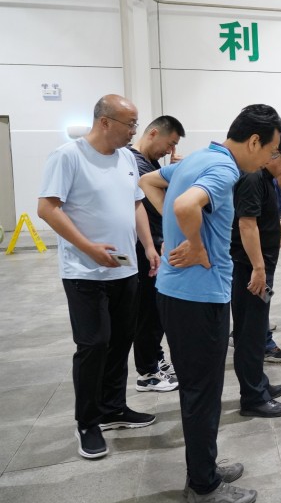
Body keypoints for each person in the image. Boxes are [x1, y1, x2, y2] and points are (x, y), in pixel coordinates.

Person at [140, 103, 281, 502]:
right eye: (271, 150)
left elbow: (149, 182)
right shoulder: (224, 169)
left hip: (178, 293)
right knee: (202, 394)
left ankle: (204, 467)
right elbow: (184, 205)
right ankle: (204, 486)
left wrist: (179, 232)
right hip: (198, 297)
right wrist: (195, 244)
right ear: (254, 141)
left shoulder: (200, 157)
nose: (269, 159)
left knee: (199, 390)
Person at [37, 94, 159, 460]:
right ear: (105, 122)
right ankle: (87, 421)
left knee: (121, 339)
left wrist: (148, 246)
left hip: (125, 268)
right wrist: (88, 247)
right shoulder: (68, 156)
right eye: (130, 124)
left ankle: (112, 408)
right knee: (94, 344)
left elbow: (136, 204)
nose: (134, 131)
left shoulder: (126, 158)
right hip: (84, 271)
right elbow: (47, 208)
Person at [230, 131, 281, 418]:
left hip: (260, 266)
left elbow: (267, 224)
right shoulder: (252, 178)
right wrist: (258, 268)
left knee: (256, 329)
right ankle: (252, 397)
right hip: (250, 269)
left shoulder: (265, 180)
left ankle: (259, 384)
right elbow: (247, 225)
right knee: (249, 334)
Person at [129, 115, 185, 393]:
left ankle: (155, 359)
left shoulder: (149, 164)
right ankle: (148, 373)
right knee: (148, 312)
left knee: (154, 311)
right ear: (153, 133)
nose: (169, 150)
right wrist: (176, 176)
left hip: (154, 246)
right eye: (170, 143)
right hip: (144, 249)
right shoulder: (134, 164)